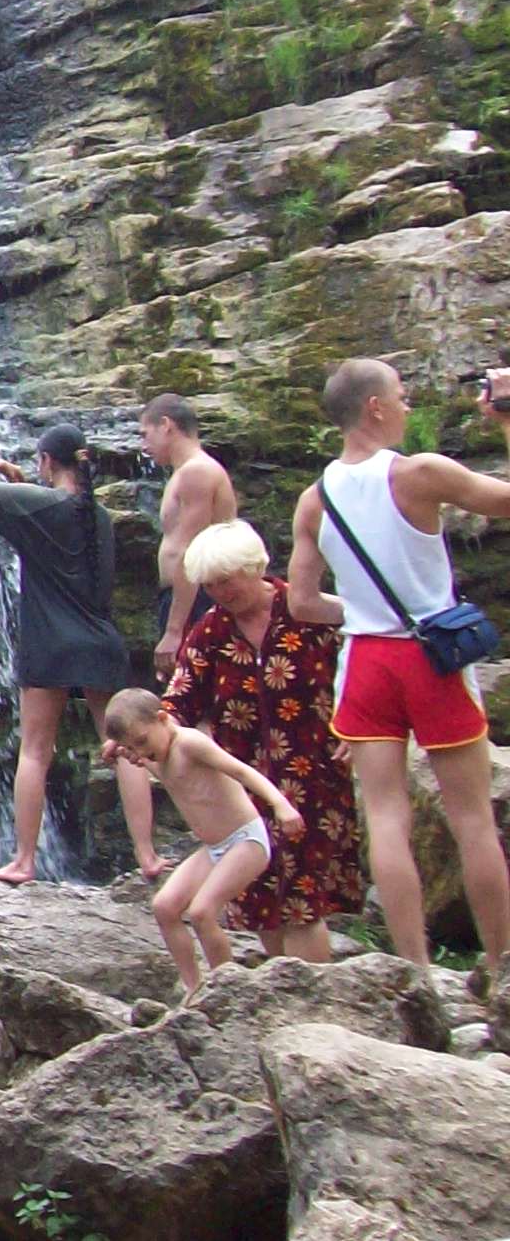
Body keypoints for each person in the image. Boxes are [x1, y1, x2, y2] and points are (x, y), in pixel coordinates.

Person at [286, 358, 510, 994]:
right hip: (428, 658)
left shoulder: (316, 497)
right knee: (471, 819)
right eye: (402, 398)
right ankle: (500, 970)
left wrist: (359, 611)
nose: (409, 408)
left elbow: (303, 603)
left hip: (365, 663)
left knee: (386, 817)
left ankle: (416, 978)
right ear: (375, 409)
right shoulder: (419, 474)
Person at [160, 518, 363, 965]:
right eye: (209, 586)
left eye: (226, 581)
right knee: (263, 902)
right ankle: (284, 1001)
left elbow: (361, 666)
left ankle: (317, 1006)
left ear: (255, 568)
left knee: (303, 904)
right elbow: (178, 701)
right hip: (246, 789)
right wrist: (143, 737)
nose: (219, 593)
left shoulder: (307, 610)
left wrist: (357, 722)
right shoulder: (211, 632)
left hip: (314, 776)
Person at [0, 426, 129, 885]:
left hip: (51, 643)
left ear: (47, 462)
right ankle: (150, 854)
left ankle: (24, 861)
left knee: (36, 752)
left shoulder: (39, 503)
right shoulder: (98, 516)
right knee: (124, 747)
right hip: (101, 640)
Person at [100, 687, 308, 994]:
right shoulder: (156, 753)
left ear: (162, 718)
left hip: (245, 840)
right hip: (215, 849)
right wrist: (120, 750)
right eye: (134, 747)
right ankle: (194, 988)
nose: (141, 752)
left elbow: (243, 772)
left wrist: (281, 805)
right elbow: (144, 754)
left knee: (201, 912)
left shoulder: (190, 743)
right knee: (165, 906)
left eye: (142, 742)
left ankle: (227, 990)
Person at [126, 395, 242, 877]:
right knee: (195, 716)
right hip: (188, 603)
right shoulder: (188, 473)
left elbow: (191, 556)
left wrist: (175, 630)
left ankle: (230, 831)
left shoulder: (195, 473)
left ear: (167, 425)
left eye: (145, 432)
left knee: (200, 717)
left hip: (195, 606)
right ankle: (225, 831)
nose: (143, 443)